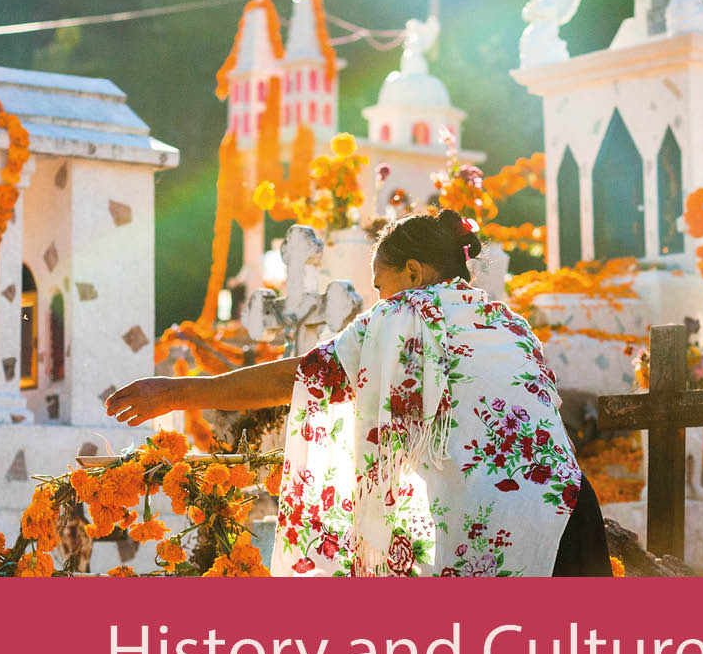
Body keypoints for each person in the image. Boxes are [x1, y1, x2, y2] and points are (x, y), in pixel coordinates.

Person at [106, 210, 611, 576]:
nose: (377, 300)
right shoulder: (507, 322)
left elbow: (300, 376)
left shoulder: (403, 314)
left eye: (379, 286)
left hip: (497, 526)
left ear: (413, 273)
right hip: (571, 513)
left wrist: (179, 391)